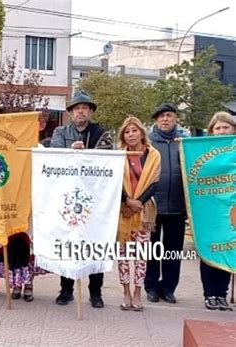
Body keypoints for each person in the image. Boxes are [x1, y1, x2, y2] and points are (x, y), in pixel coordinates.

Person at [50, 90, 113, 308]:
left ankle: (96, 292)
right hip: (67, 196)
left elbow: (107, 161)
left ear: (90, 112)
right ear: (70, 112)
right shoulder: (60, 131)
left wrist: (88, 154)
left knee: (95, 242)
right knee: (68, 242)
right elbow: (54, 155)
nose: (80, 111)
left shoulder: (102, 133)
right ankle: (66, 289)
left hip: (94, 198)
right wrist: (71, 151)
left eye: (85, 108)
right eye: (77, 108)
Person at [116, 116, 161, 311]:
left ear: (141, 132)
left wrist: (138, 202)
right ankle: (125, 291)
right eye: (127, 132)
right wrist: (127, 200)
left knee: (141, 255)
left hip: (144, 212)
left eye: (134, 130)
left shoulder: (153, 155)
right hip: (122, 210)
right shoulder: (118, 155)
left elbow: (155, 183)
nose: (131, 134)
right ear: (123, 136)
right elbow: (114, 181)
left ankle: (137, 292)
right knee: (123, 255)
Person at [144, 103, 186, 304]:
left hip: (177, 206)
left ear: (175, 118)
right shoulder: (148, 143)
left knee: (173, 250)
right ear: (155, 121)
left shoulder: (185, 143)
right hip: (152, 205)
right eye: (160, 116)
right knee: (151, 248)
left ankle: (169, 287)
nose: (165, 119)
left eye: (168, 115)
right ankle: (151, 286)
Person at [200, 111, 235, 311]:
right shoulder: (202, 152)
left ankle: (221, 293)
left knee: (228, 249)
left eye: (226, 127)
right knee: (209, 249)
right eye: (218, 128)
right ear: (211, 131)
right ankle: (209, 293)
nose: (221, 131)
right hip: (208, 208)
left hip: (230, 208)